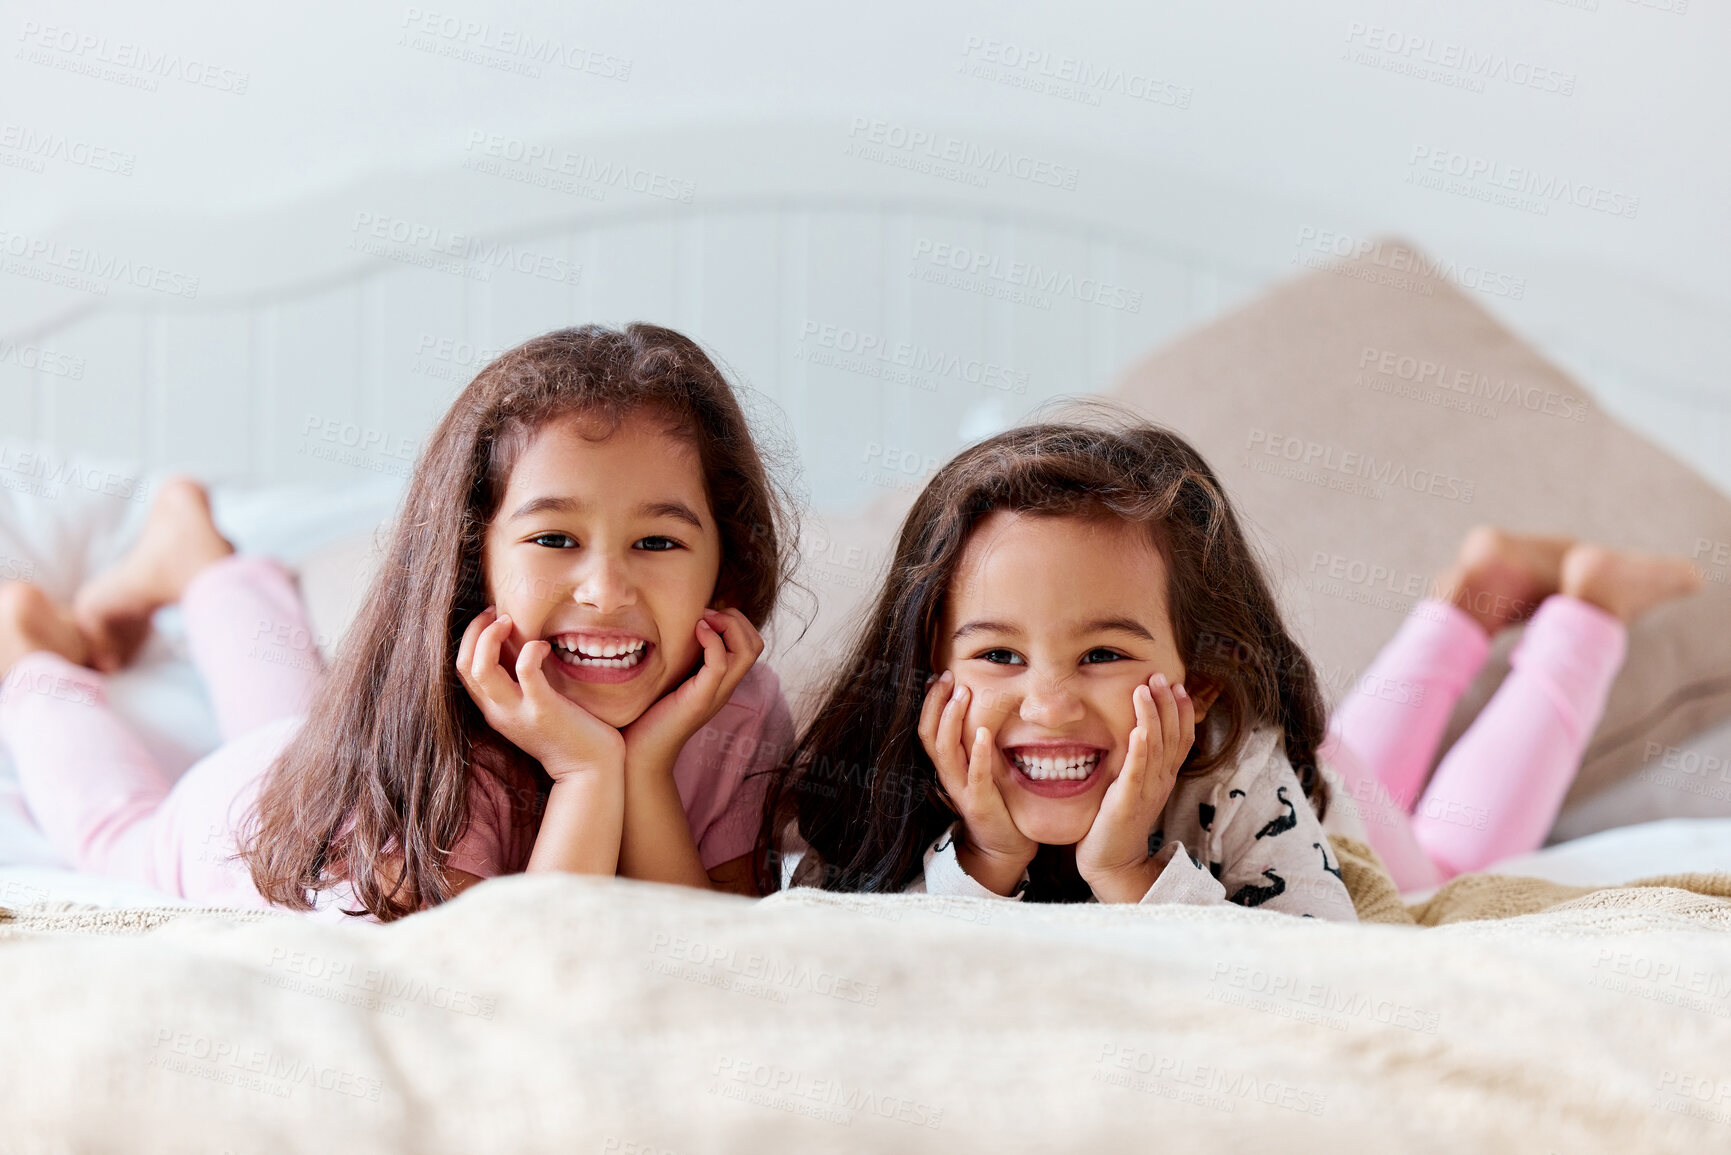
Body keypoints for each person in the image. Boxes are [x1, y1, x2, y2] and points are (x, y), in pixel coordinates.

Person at [0, 324, 796, 922]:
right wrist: (588, 772)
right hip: (254, 810)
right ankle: (29, 646)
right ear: (468, 558)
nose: (605, 588)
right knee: (115, 830)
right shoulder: (433, 766)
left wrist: (645, 769)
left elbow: (712, 942)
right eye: (554, 539)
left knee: (289, 715)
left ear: (722, 564)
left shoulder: (733, 709)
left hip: (316, 750)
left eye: (657, 541)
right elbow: (525, 973)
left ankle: (201, 561)